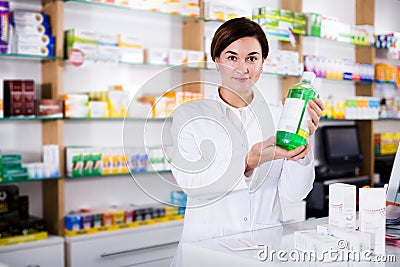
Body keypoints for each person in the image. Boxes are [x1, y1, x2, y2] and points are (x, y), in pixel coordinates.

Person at [169, 17, 324, 266]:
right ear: (217, 60)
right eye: (232, 58)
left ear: (263, 62)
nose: (242, 68)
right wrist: (249, 161)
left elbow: (295, 194)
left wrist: (304, 145)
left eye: (252, 58)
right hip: (205, 252)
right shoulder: (189, 116)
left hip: (263, 251)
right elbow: (192, 183)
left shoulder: (280, 118)